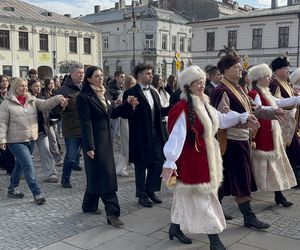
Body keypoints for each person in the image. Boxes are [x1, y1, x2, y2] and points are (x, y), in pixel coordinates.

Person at [161, 65, 257, 248]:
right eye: (198, 82)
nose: (202, 86)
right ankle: (214, 240)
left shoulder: (204, 103)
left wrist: (244, 117)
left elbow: (221, 119)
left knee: (186, 197)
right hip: (192, 160)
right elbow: (176, 137)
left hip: (206, 158)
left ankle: (175, 227)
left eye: (203, 82)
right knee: (204, 199)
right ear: (188, 85)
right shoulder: (181, 108)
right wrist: (170, 160)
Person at [211, 47, 284, 230]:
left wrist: (273, 112)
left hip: (241, 141)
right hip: (231, 142)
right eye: (236, 67)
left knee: (225, 179)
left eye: (239, 67)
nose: (240, 70)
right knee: (238, 179)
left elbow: (254, 109)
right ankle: (248, 216)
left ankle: (216, 210)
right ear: (225, 71)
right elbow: (223, 117)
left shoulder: (238, 88)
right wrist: (244, 122)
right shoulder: (222, 90)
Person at [76, 66, 138, 227]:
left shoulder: (103, 93)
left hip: (106, 141)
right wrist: (89, 146)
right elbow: (85, 123)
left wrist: (128, 105)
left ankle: (89, 205)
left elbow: (112, 113)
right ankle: (113, 213)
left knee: (96, 174)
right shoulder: (84, 97)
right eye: (97, 76)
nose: (100, 78)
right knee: (106, 176)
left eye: (101, 75)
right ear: (89, 79)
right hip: (94, 142)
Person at [0, 77, 68, 205]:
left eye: (25, 86)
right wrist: (2, 139)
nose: (24, 88)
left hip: (30, 139)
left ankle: (12, 188)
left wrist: (57, 98)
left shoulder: (31, 100)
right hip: (15, 141)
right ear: (14, 87)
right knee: (28, 166)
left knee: (20, 165)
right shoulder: (6, 103)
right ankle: (37, 193)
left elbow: (45, 104)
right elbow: (2, 122)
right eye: (21, 86)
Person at [248, 63, 298, 206]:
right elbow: (259, 109)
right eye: (267, 77)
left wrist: (296, 99)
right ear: (259, 78)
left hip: (271, 131)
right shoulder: (254, 93)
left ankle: (278, 194)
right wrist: (275, 109)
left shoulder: (265, 91)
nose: (270, 79)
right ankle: (245, 195)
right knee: (260, 166)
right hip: (262, 133)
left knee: (274, 165)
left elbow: (279, 102)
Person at [121, 63, 170, 207]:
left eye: (151, 73)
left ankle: (151, 190)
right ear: (139, 75)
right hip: (140, 135)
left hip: (156, 133)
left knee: (158, 162)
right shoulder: (131, 92)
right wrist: (131, 106)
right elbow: (125, 114)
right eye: (148, 73)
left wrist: (175, 107)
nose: (151, 75)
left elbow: (160, 111)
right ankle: (141, 195)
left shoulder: (154, 92)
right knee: (141, 166)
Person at [269, 57, 300, 188]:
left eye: (288, 69)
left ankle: (294, 178)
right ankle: (285, 178)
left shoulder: (286, 83)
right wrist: (295, 99)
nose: (288, 71)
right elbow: (277, 102)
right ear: (277, 70)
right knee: (284, 151)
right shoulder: (275, 84)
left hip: (290, 123)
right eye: (285, 69)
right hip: (282, 122)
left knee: (294, 150)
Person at [53, 63, 85, 188]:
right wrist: (61, 106)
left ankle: (94, 178)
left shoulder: (87, 87)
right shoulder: (62, 90)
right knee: (71, 156)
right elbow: (55, 112)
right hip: (71, 129)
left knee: (90, 155)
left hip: (86, 128)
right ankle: (65, 179)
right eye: (78, 73)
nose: (81, 75)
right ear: (71, 74)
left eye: (82, 73)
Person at [28, 79, 59, 183]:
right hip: (28, 131)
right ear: (30, 87)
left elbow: (48, 108)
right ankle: (20, 173)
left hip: (42, 129)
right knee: (25, 154)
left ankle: (50, 174)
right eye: (36, 86)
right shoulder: (26, 98)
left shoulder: (42, 96)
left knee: (46, 150)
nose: (39, 87)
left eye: (40, 85)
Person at [116, 75, 136, 176]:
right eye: (131, 83)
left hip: (133, 122)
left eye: (134, 83)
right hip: (125, 122)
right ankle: (122, 168)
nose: (133, 85)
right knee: (126, 146)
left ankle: (122, 167)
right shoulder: (123, 94)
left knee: (131, 146)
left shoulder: (136, 94)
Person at [0, 75, 15, 175]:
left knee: (8, 146)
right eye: (2, 81)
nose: (5, 83)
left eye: (6, 81)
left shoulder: (11, 94)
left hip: (8, 123)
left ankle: (10, 168)